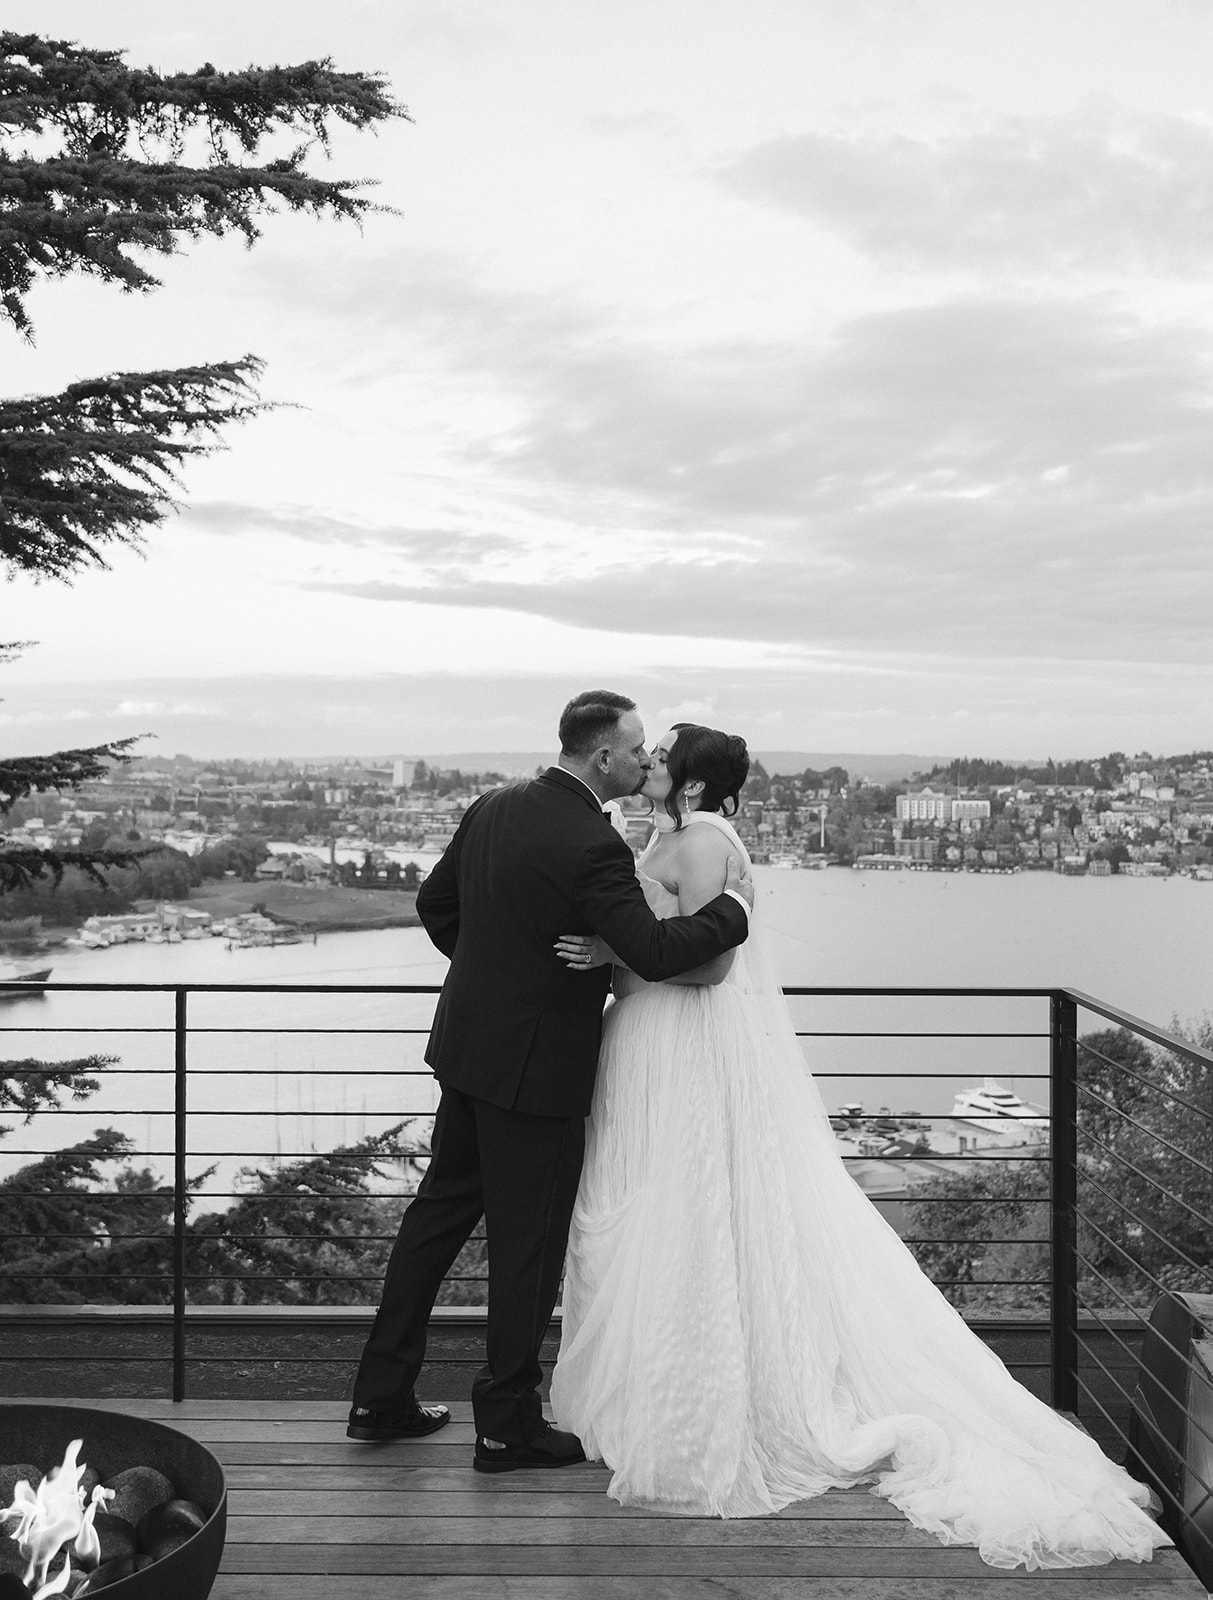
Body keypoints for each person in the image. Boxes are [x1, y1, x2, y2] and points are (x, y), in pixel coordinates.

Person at [550, 723, 1167, 1569]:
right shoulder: (666, 836)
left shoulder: (702, 842)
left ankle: (694, 1411)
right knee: (654, 1207)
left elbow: (706, 967)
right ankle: (647, 1394)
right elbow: (651, 948)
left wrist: (617, 948)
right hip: (648, 1039)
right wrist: (611, 950)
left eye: (661, 756)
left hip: (682, 1044)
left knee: (687, 1213)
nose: (648, 763)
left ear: (690, 782)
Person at [346, 691, 752, 1471]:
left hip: (467, 1050)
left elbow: (435, 905)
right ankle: (506, 1425)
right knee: (526, 1248)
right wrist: (732, 910)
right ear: (602, 756)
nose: (643, 760)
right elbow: (654, 952)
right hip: (537, 1073)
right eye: (635, 749)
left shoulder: (494, 805)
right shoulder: (592, 843)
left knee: (434, 1220)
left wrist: (498, 975)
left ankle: (378, 1396)